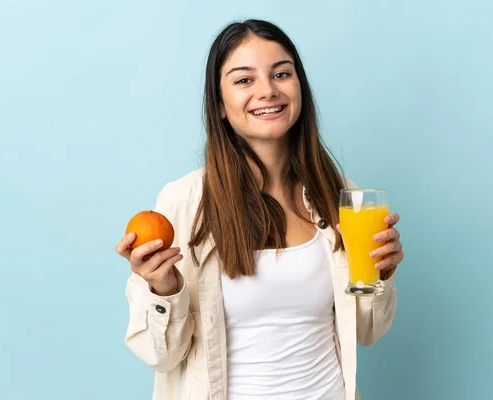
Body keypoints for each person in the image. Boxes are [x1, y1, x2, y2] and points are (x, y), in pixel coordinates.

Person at [115, 18, 404, 400]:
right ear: (219, 104)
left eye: (281, 74)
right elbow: (161, 357)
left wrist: (380, 275)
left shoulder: (338, 196)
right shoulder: (184, 201)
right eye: (244, 80)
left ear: (299, 87)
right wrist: (162, 289)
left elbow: (366, 332)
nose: (267, 91)